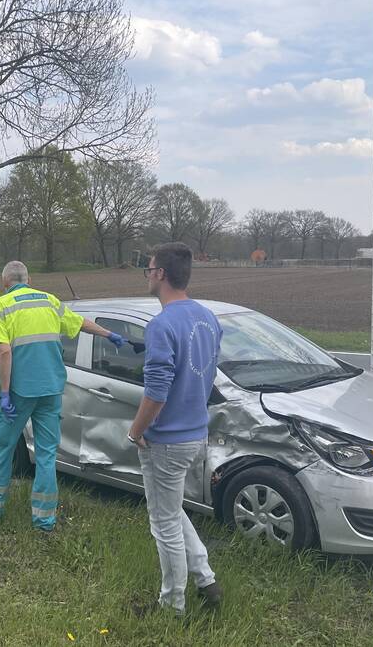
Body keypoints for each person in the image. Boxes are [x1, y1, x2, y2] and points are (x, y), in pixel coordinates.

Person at [0, 261, 125, 533]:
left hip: (20, 392)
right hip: (51, 390)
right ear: (29, 279)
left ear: (5, 282)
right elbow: (80, 323)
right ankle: (44, 522)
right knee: (46, 456)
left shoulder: (0, 306)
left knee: (3, 451)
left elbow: (5, 352)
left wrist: (6, 393)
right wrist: (109, 334)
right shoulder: (50, 301)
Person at [127, 242, 223, 613]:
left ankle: (172, 605)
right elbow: (208, 374)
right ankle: (207, 580)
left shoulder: (162, 325)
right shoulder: (208, 317)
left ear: (161, 274)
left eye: (148, 269)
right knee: (173, 510)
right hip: (197, 433)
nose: (147, 275)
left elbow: (156, 394)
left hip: (166, 441)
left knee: (163, 523)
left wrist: (135, 432)